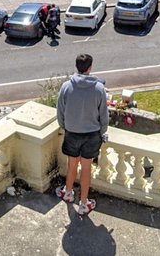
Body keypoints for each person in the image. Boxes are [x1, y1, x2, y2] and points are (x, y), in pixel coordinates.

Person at [55, 53, 108, 217]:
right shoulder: (99, 89)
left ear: (76, 66)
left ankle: (68, 192)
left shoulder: (66, 87)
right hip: (91, 134)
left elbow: (60, 112)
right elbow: (104, 115)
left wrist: (66, 127)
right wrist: (102, 131)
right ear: (90, 68)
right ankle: (84, 203)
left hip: (72, 132)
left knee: (72, 164)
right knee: (86, 168)